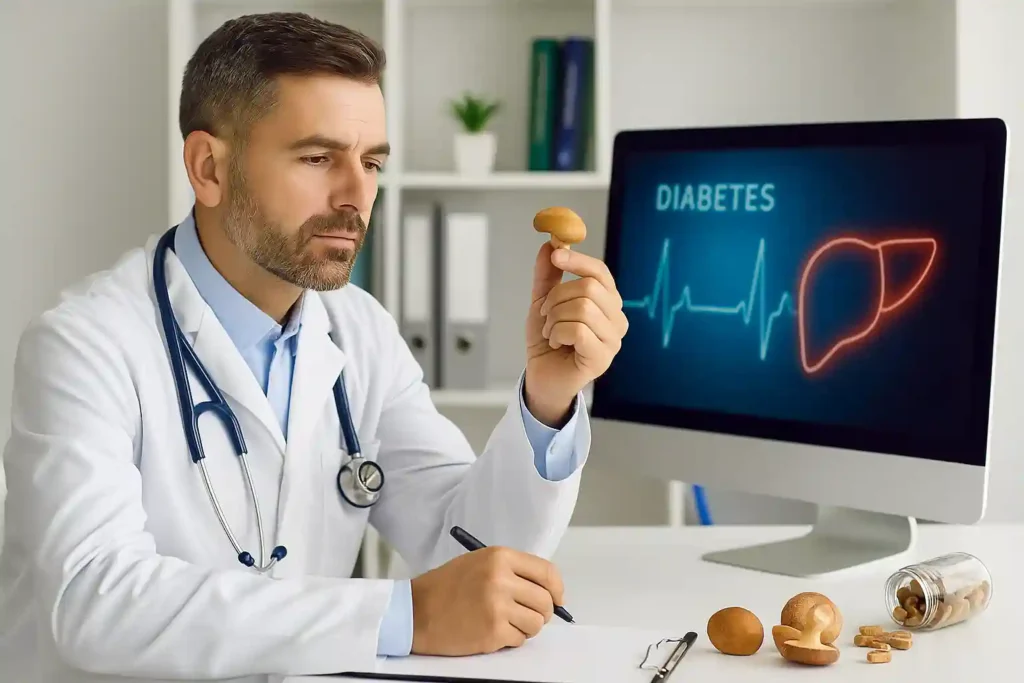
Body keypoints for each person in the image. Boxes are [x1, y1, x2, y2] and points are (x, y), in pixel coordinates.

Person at [0, 11, 629, 683]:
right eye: (317, 158)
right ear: (208, 167)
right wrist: (401, 615)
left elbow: (471, 551)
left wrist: (550, 396)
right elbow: (94, 601)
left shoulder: (360, 333)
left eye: (372, 162)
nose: (356, 196)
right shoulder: (83, 344)